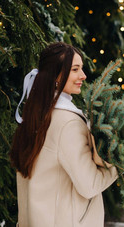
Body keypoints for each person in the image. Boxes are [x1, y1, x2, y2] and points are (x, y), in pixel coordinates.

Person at [10, 42, 118, 227]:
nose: (83, 76)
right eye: (75, 69)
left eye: (81, 69)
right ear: (56, 75)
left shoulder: (36, 116)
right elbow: (89, 184)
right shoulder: (68, 124)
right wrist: (117, 166)